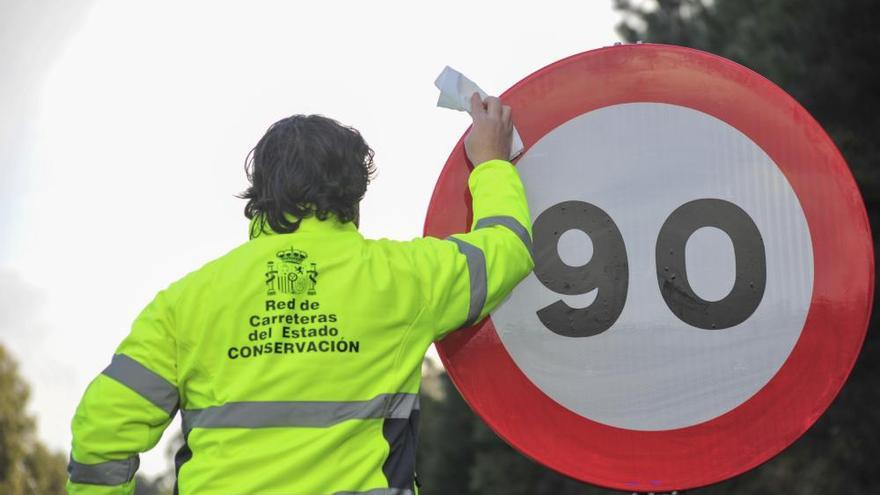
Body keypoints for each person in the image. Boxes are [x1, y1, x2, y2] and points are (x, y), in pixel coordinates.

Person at [67, 93, 534, 494]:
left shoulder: (186, 302)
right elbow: (506, 249)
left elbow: (103, 430)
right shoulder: (402, 278)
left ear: (260, 190)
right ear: (355, 193)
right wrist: (491, 163)